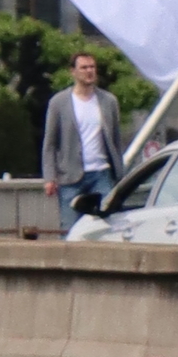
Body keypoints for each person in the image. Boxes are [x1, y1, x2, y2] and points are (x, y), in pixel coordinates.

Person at [41, 52, 122, 232]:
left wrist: (119, 171)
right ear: (73, 72)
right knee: (70, 227)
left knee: (107, 225)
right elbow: (50, 143)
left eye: (92, 67)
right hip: (70, 176)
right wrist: (49, 177)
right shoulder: (59, 102)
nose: (89, 71)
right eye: (84, 68)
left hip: (101, 173)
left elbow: (116, 140)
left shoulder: (108, 101)